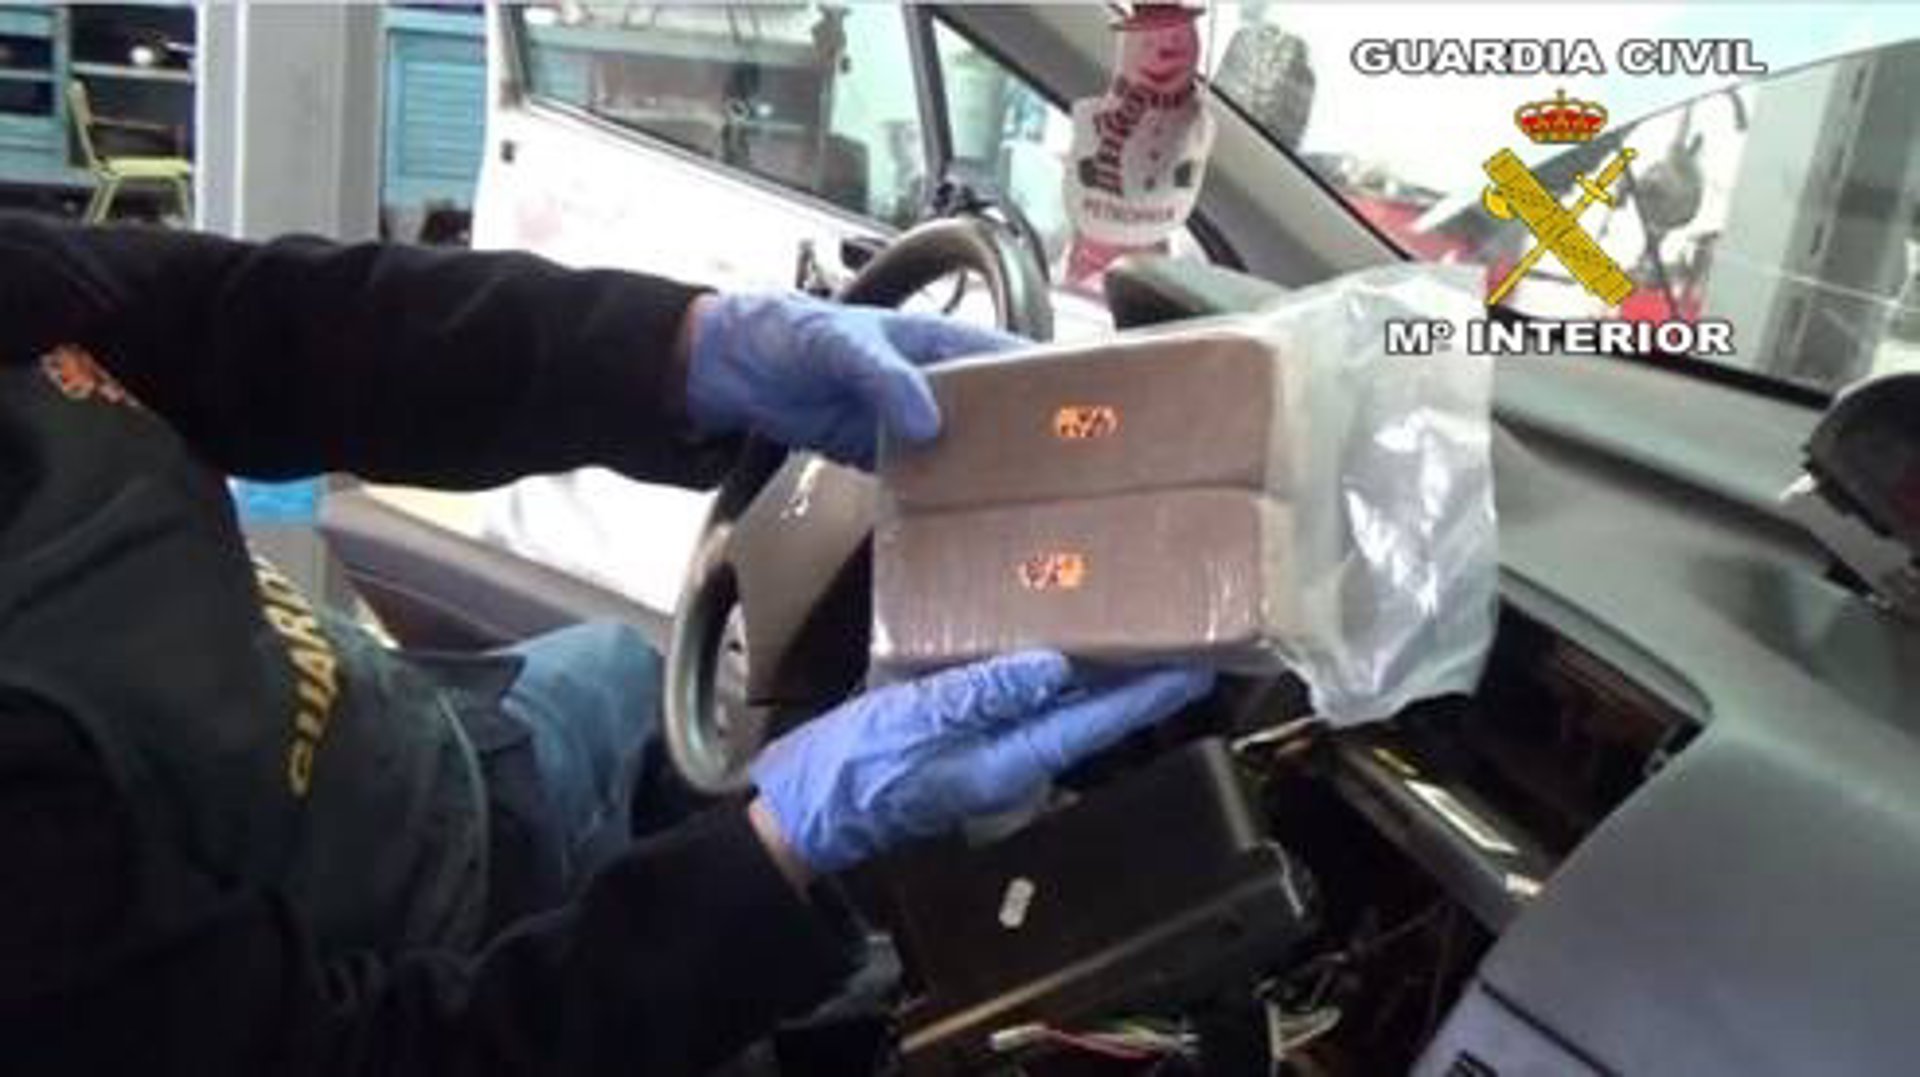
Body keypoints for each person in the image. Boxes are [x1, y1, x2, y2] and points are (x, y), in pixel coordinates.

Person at [0, 214, 1212, 1076]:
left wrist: (680, 351)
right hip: (417, 968)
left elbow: (270, 325)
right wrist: (777, 855)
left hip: (450, 740)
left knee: (624, 681)